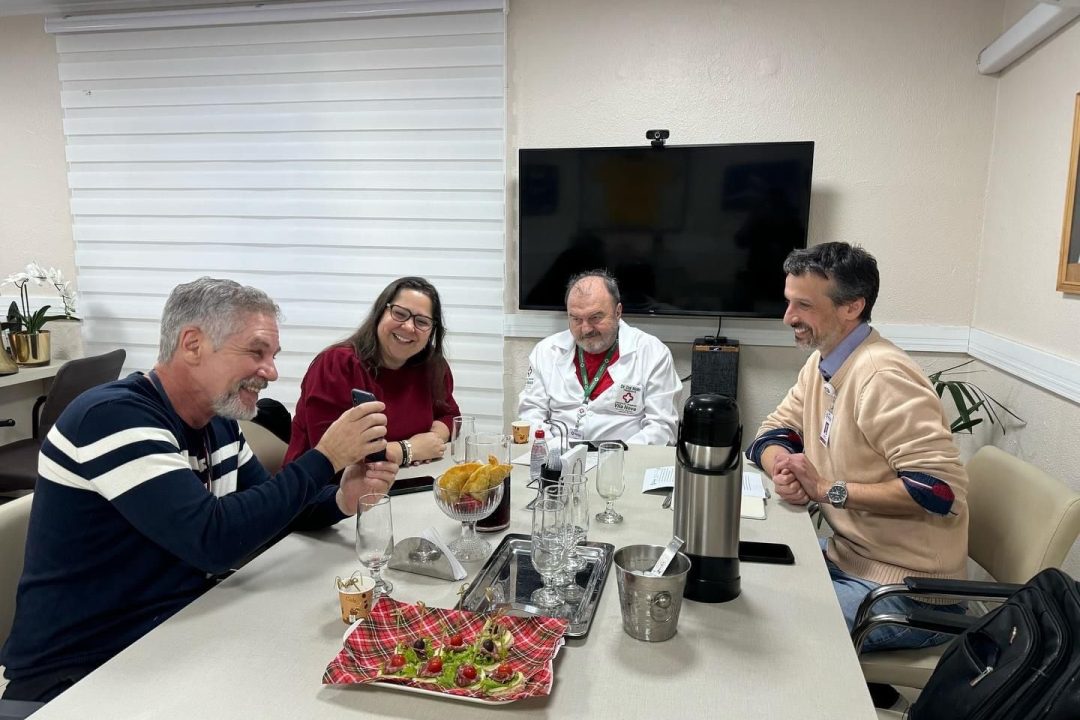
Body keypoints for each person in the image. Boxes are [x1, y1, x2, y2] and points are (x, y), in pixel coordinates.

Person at [0, 278, 397, 704]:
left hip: (172, 636)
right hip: (79, 673)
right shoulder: (112, 417)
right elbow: (212, 540)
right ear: (192, 344)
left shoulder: (218, 421)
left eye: (273, 356)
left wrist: (342, 498)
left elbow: (276, 512)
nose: (271, 372)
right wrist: (325, 457)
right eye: (256, 352)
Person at [745, 242, 969, 654]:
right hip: (847, 561)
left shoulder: (883, 376)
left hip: (911, 594)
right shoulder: (822, 362)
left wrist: (827, 489)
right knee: (744, 586)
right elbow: (770, 434)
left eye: (803, 306)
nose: (788, 318)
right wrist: (784, 469)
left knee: (768, 638)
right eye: (789, 303)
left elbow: (937, 492)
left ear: (852, 307)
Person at [284, 276, 460, 468]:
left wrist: (433, 438)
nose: (409, 326)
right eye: (400, 314)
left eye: (422, 321)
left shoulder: (432, 367)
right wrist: (408, 449)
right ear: (380, 312)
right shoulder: (337, 365)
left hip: (400, 482)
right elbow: (331, 453)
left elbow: (450, 416)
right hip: (324, 490)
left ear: (432, 330)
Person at [518, 269, 681, 445]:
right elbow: (531, 415)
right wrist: (557, 455)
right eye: (576, 319)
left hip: (624, 463)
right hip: (559, 462)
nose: (586, 329)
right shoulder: (546, 351)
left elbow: (662, 428)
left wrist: (612, 457)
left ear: (618, 312)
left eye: (595, 318)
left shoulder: (652, 352)